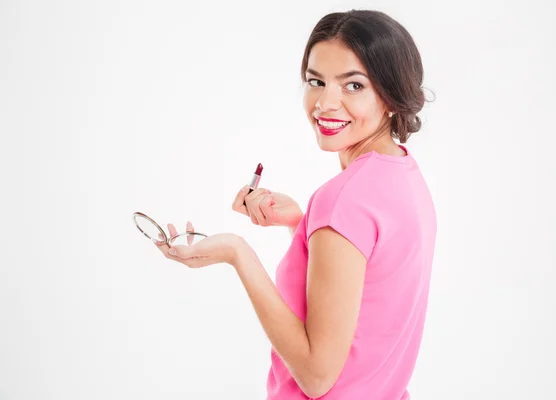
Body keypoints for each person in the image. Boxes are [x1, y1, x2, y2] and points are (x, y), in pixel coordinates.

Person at [155, 9, 437, 400]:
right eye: (316, 81)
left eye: (353, 85)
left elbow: (316, 376)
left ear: (390, 96)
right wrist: (302, 227)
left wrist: (238, 253)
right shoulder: (403, 173)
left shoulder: (344, 201)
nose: (325, 103)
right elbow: (368, 292)